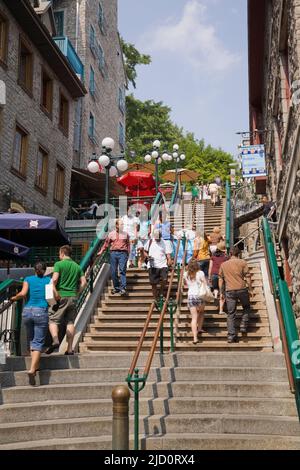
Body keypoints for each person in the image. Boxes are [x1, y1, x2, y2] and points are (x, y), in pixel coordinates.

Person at [10, 262, 50, 385]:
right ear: (44, 270)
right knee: (38, 342)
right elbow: (53, 296)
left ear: (34, 269)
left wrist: (14, 298)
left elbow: (22, 293)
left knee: (32, 340)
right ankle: (32, 369)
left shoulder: (27, 279)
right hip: (41, 311)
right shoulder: (48, 280)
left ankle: (35, 365)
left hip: (27, 311)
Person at [46, 245, 87, 355]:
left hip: (61, 296)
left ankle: (55, 340)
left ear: (63, 253)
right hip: (73, 297)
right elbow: (84, 282)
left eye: (59, 253)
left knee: (53, 320)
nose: (59, 256)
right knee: (70, 322)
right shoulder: (77, 266)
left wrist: (55, 292)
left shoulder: (58, 264)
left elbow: (54, 280)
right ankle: (69, 349)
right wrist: (77, 293)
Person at [219, 246, 253, 343]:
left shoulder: (223, 264)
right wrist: (250, 289)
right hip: (242, 288)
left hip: (229, 291)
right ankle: (243, 324)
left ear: (229, 254)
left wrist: (221, 292)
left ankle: (231, 335)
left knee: (231, 313)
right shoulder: (242, 262)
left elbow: (220, 279)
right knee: (246, 307)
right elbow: (248, 276)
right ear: (239, 254)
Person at [98, 219, 130, 295]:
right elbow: (106, 244)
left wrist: (128, 254)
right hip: (113, 253)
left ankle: (123, 288)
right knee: (113, 271)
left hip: (123, 253)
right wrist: (101, 251)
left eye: (123, 224)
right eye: (121, 224)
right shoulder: (111, 234)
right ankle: (116, 288)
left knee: (122, 270)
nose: (122, 226)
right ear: (117, 226)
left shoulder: (126, 234)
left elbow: (128, 244)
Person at [144, 230, 173, 306]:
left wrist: (169, 260)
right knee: (153, 283)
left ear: (161, 236)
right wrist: (147, 256)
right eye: (156, 238)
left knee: (165, 279)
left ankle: (160, 293)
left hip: (163, 264)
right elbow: (144, 251)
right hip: (152, 265)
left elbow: (168, 255)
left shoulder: (165, 243)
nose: (157, 239)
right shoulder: (150, 242)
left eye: (159, 238)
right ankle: (155, 298)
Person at [183, 260, 207, 345]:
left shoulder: (185, 274)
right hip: (200, 295)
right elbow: (205, 283)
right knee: (201, 312)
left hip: (191, 296)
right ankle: (199, 328)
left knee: (194, 317)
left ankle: (195, 338)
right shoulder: (200, 273)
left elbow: (184, 284)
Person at [208, 242, 228, 314]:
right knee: (222, 292)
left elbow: (210, 267)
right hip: (221, 276)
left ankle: (216, 295)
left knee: (215, 288)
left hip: (214, 274)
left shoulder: (213, 257)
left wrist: (209, 277)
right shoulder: (225, 258)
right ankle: (221, 309)